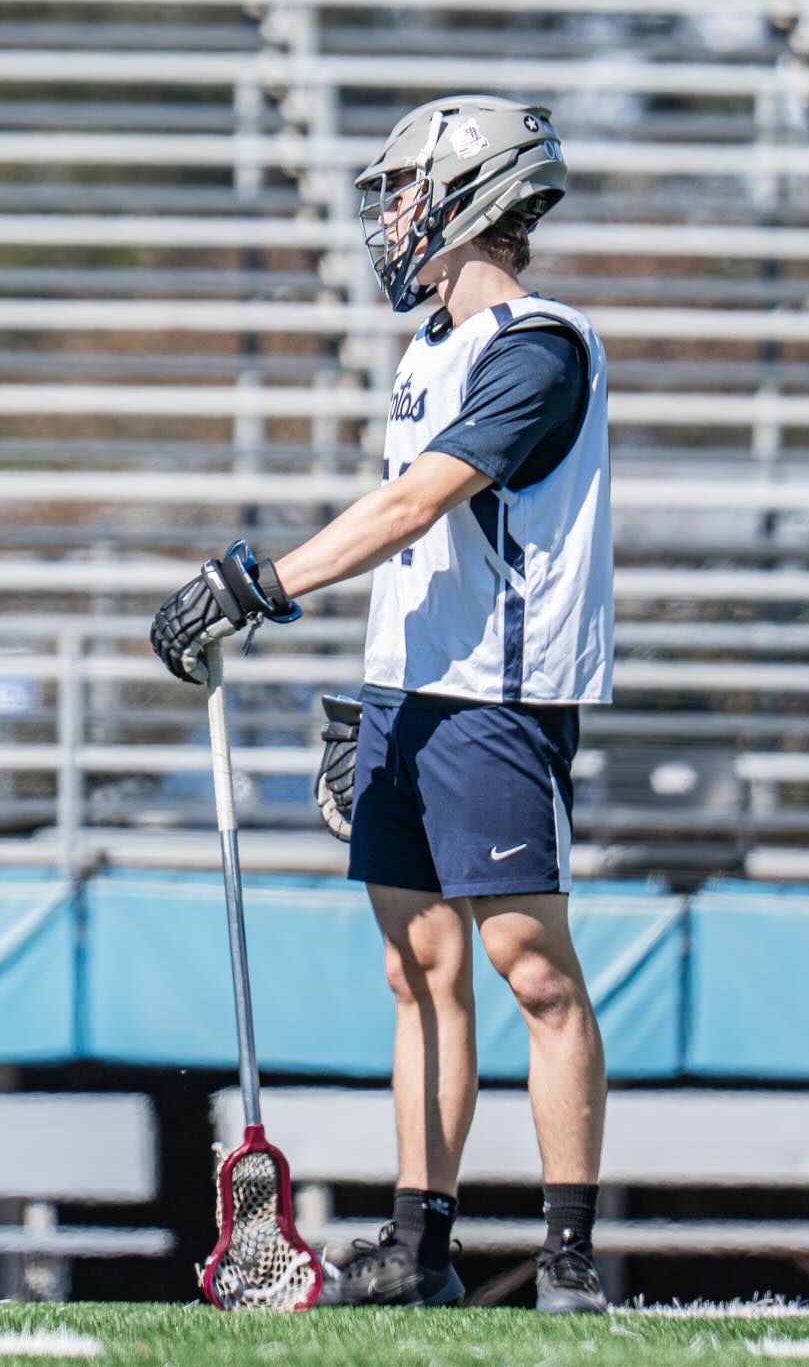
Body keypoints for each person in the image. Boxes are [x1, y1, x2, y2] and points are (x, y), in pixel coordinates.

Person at [151, 95, 613, 1314]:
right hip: (411, 698)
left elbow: (422, 506)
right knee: (418, 972)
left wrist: (259, 585)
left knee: (533, 971)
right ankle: (422, 1240)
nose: (392, 217)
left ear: (471, 196)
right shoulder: (425, 355)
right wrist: (368, 693)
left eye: (407, 190)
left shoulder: (538, 346)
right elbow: (417, 562)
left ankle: (567, 1255)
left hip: (496, 705)